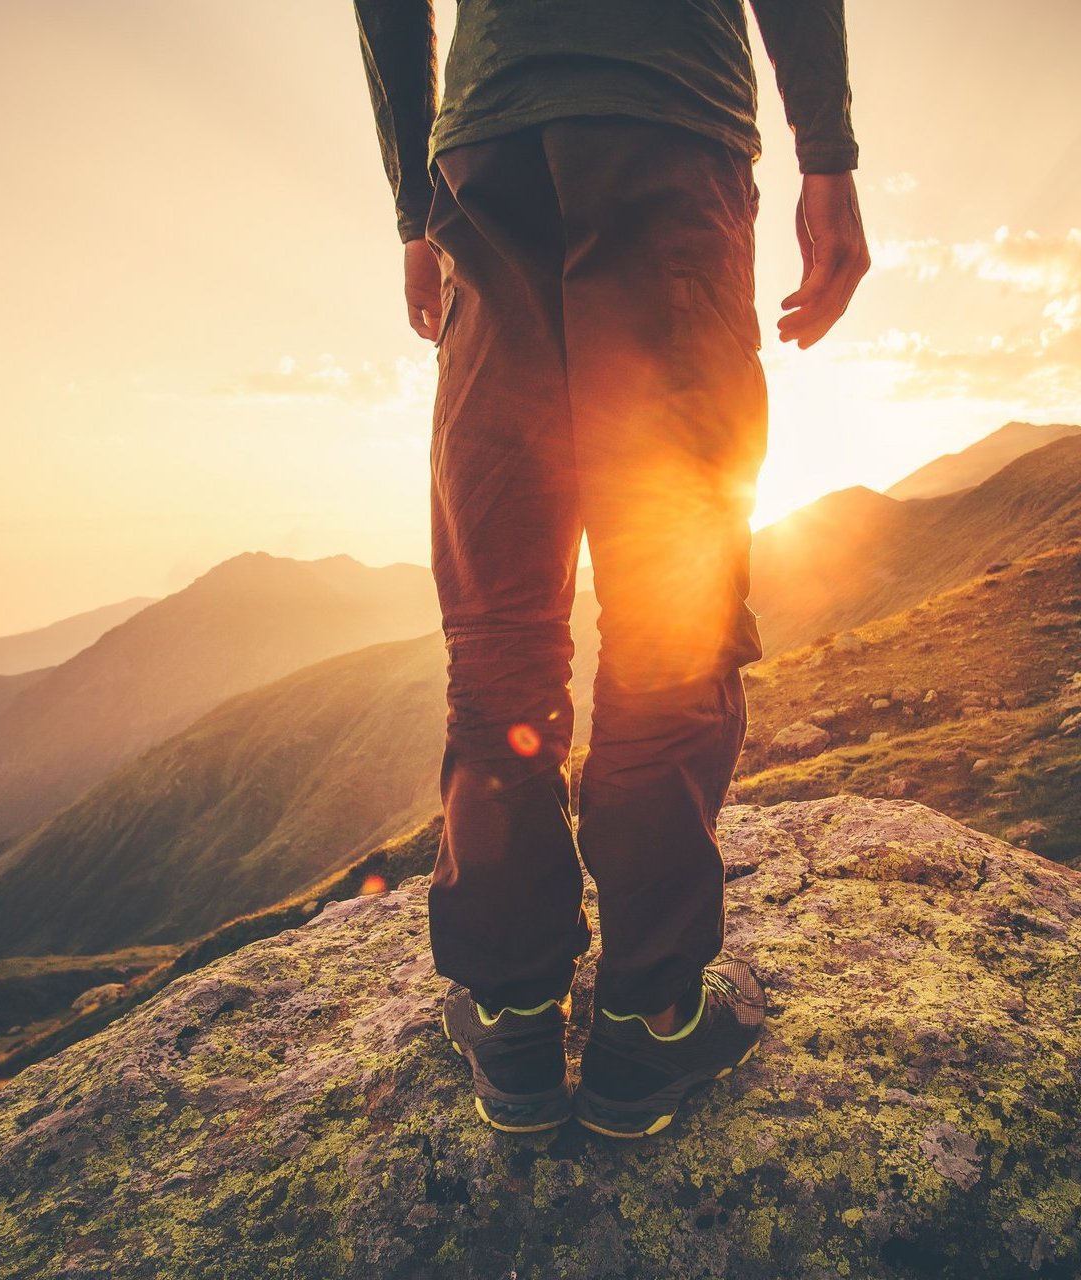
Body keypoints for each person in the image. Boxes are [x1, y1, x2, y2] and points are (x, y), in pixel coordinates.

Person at [355, 0, 868, 1138]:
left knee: (499, 615)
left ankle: (514, 1010)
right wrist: (824, 157)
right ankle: (649, 1021)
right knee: (670, 600)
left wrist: (413, 209)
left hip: (488, 153)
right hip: (664, 119)